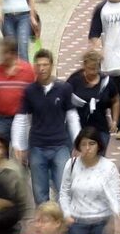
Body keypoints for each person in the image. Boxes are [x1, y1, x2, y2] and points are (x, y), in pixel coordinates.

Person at [12, 49, 75, 204]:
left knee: (64, 190)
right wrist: (18, 145)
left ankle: (63, 223)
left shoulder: (64, 89)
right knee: (40, 193)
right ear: (34, 67)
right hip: (37, 147)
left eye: (45, 64)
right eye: (38, 65)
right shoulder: (29, 91)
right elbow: (21, 119)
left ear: (51, 65)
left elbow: (72, 117)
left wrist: (77, 142)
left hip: (60, 145)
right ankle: (45, 224)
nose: (42, 68)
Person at [0, 37, 35, 140]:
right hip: (1, 118)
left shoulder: (28, 71)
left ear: (12, 54)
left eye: (3, 52)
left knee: (21, 149)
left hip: (22, 118)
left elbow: (35, 95)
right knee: (0, 148)